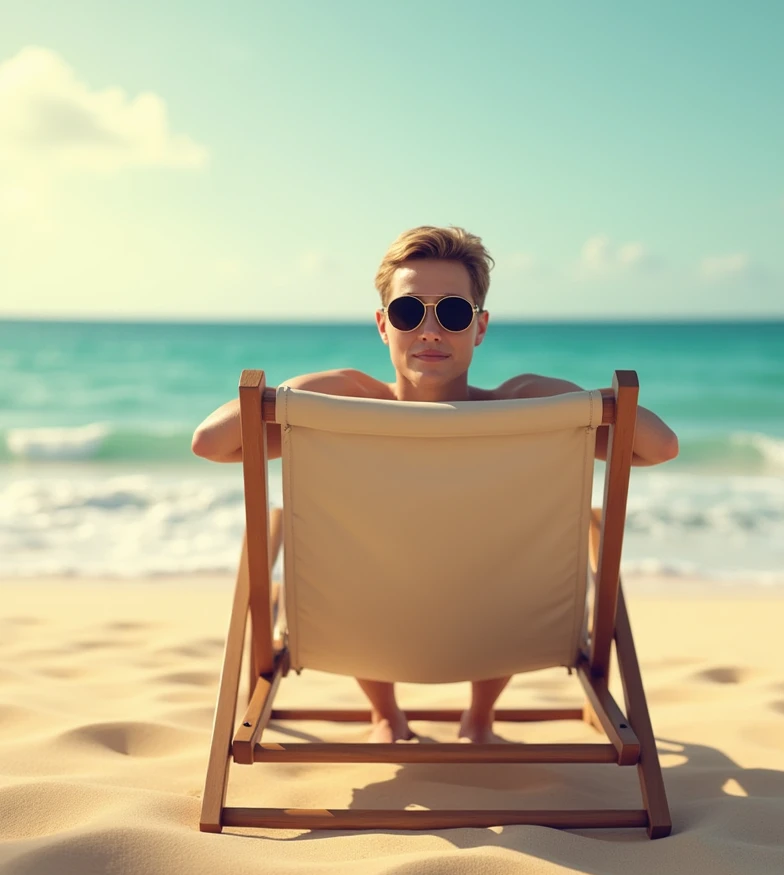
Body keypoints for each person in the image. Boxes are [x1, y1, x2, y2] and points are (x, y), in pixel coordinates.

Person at [192, 225, 679, 744]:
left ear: (480, 326)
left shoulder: (347, 411)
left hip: (361, 626)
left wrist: (293, 399)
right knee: (476, 559)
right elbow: (657, 446)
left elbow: (214, 442)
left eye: (451, 312)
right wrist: (580, 403)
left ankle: (394, 718)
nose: (429, 330)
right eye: (408, 312)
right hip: (502, 625)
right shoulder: (521, 412)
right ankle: (466, 719)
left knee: (388, 558)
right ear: (383, 325)